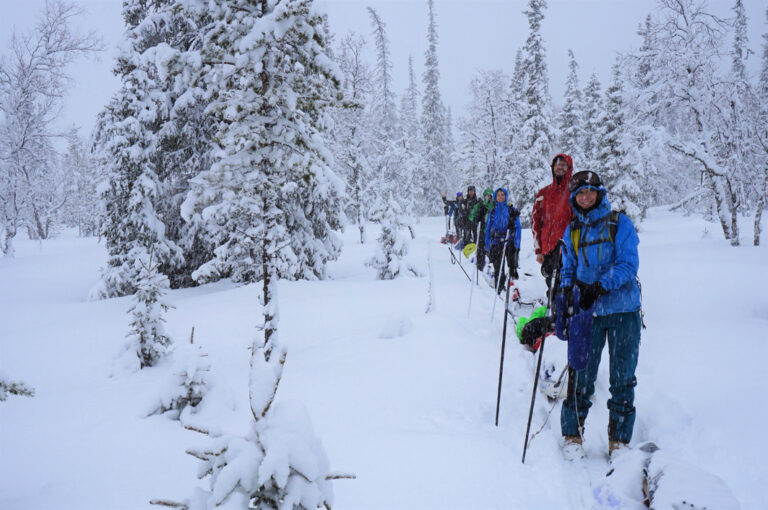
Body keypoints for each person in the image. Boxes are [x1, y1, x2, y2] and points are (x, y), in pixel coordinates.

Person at [557, 170, 642, 460]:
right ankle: (572, 434)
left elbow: (629, 264)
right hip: (587, 313)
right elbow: (568, 266)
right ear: (574, 197)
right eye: (580, 193)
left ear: (600, 193)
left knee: (622, 378)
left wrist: (601, 286)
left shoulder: (620, 223)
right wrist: (565, 292)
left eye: (590, 191)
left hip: (623, 311)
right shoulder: (573, 230)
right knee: (581, 373)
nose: (585, 197)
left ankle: (619, 440)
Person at [532, 154, 573, 291]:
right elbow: (535, 222)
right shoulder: (544, 193)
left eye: (563, 164)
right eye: (557, 164)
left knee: (568, 289)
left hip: (568, 251)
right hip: (548, 250)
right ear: (553, 167)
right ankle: (554, 310)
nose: (560, 167)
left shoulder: (575, 192)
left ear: (569, 168)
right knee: (552, 287)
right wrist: (539, 250)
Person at [484, 188, 521, 294]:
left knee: (512, 266)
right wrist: (487, 244)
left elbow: (518, 228)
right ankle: (499, 289)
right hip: (496, 242)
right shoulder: (493, 211)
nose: (501, 197)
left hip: (509, 243)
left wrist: (517, 245)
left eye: (502, 195)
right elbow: (488, 228)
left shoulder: (511, 210)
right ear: (495, 197)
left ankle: (510, 290)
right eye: (498, 195)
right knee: (498, 267)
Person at [469, 188, 494, 271]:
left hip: (491, 231)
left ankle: (491, 266)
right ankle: (480, 265)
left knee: (491, 249)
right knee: (481, 249)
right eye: (487, 196)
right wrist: (476, 218)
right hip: (482, 230)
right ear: (484, 196)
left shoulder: (493, 205)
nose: (488, 197)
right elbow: (472, 215)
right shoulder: (480, 204)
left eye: (490, 196)